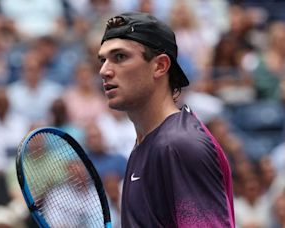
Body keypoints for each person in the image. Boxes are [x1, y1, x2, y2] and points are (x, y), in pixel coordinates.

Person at [98, 12, 234, 227]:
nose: (104, 70)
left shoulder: (179, 144)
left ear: (160, 66)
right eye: (103, 59)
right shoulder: (146, 144)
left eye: (120, 57)